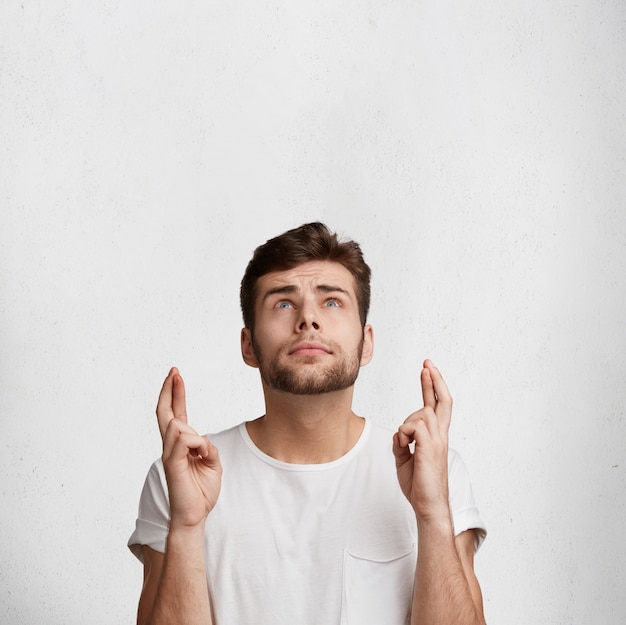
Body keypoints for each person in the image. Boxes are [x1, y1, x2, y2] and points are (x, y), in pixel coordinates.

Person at [128, 222, 487, 625]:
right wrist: (187, 526)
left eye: (332, 302)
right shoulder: (182, 477)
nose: (308, 319)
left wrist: (433, 512)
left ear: (366, 342)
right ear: (249, 345)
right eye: (283, 303)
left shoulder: (437, 473)